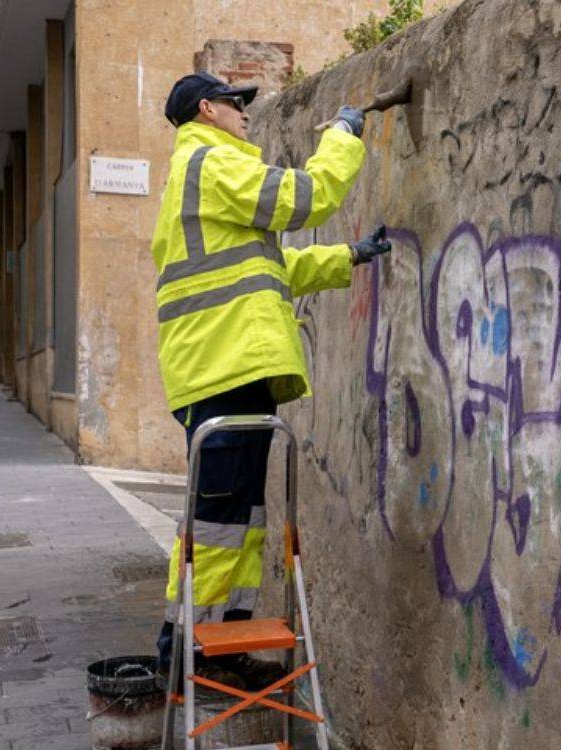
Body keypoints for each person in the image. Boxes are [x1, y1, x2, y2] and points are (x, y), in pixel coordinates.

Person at [151, 72, 390, 689]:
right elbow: (302, 198)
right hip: (224, 367)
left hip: (227, 365)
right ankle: (183, 655)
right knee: (216, 522)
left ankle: (222, 646)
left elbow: (271, 267)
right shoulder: (210, 162)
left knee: (239, 518)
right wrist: (343, 138)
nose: (245, 113)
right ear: (207, 109)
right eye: (236, 104)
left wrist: (348, 256)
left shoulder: (203, 174)